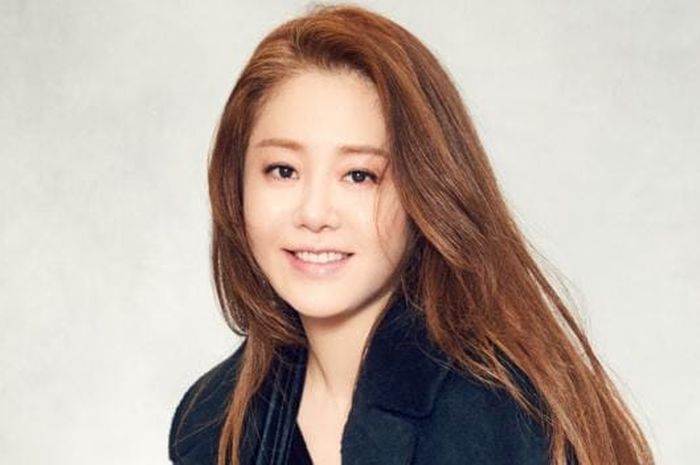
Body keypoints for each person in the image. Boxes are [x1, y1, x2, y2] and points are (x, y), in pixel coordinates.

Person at [168, 4, 655, 465]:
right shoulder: (211, 422)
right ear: (235, 183)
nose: (314, 213)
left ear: (424, 192)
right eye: (282, 170)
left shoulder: (499, 419)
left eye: (360, 175)